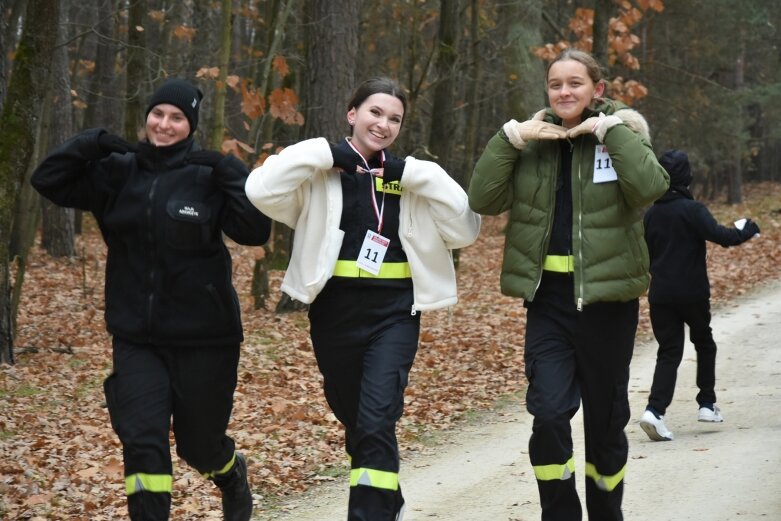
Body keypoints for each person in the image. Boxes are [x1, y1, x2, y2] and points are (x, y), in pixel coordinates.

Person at [31, 78, 271, 521]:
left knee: (200, 447)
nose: (164, 124)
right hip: (136, 337)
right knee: (142, 442)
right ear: (146, 117)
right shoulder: (116, 171)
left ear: (191, 124)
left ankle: (229, 471)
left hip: (206, 338)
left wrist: (231, 172)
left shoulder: (207, 175)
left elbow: (255, 231)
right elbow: (47, 179)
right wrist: (93, 142)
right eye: (157, 114)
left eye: (177, 117)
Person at [245, 77, 481, 520]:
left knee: (376, 419)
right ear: (352, 114)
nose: (383, 124)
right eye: (375, 112)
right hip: (333, 309)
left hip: (394, 311)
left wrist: (414, 174)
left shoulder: (409, 177)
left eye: (394, 118)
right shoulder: (318, 175)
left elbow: (465, 228)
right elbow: (260, 190)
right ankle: (388, 501)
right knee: (356, 422)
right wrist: (323, 153)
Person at [468, 48, 669, 521]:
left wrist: (611, 131)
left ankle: (606, 512)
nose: (564, 92)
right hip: (549, 302)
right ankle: (559, 514)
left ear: (596, 89)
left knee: (605, 423)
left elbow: (650, 188)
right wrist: (509, 138)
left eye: (575, 83)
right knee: (550, 414)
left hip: (607, 304)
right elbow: (483, 198)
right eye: (556, 84)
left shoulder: (621, 134)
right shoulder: (531, 141)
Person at [638, 149, 760, 442]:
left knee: (669, 353)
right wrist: (747, 229)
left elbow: (644, 254)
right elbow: (723, 236)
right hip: (692, 294)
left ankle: (654, 411)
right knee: (704, 343)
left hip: (661, 295)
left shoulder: (651, 215)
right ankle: (707, 404)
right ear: (687, 177)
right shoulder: (693, 210)